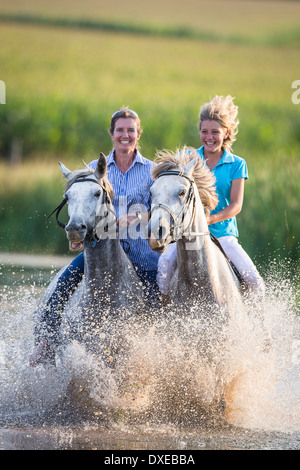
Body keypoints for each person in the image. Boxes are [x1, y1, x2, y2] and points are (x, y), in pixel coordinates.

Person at [30, 107, 161, 367]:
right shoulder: (93, 169)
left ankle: (156, 364)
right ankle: (46, 342)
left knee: (157, 305)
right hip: (100, 248)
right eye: (120, 130)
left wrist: (134, 218)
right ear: (112, 134)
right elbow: (81, 207)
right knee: (63, 285)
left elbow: (161, 209)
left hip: (139, 252)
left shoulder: (152, 171)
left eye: (130, 130)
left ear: (138, 134)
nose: (125, 135)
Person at [157, 95, 266, 305]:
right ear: (199, 131)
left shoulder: (237, 164)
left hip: (223, 234)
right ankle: (164, 316)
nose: (209, 137)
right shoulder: (187, 158)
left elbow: (236, 205)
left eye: (215, 132)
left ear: (225, 132)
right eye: (204, 131)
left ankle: (261, 334)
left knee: (255, 282)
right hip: (186, 234)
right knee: (163, 267)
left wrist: (210, 219)